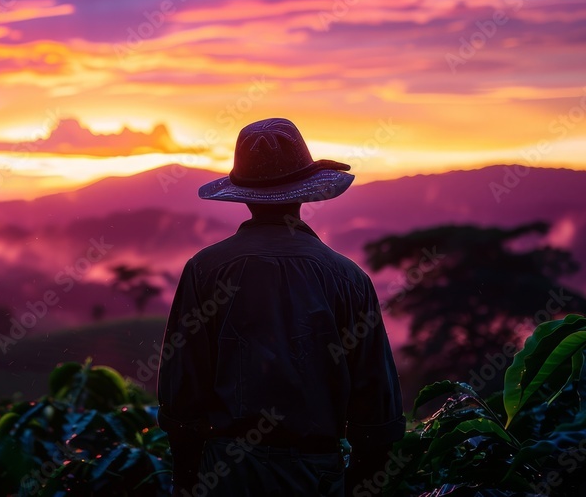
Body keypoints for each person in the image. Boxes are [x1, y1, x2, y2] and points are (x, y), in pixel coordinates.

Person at [157, 118, 405, 496]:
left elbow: (181, 396)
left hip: (226, 473)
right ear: (304, 193)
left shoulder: (204, 271)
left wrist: (188, 480)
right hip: (316, 473)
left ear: (242, 195)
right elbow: (377, 413)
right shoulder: (349, 279)